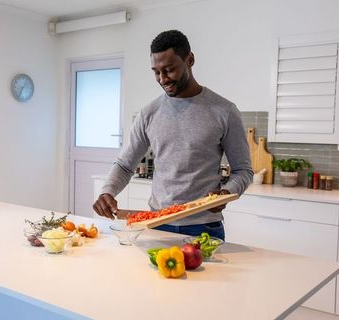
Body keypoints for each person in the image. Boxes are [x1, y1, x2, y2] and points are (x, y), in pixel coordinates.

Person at [93, 30, 252, 240]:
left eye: (169, 70)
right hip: (157, 224)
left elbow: (243, 170)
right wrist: (107, 191)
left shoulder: (224, 111)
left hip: (204, 228)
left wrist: (225, 193)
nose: (162, 79)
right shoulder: (149, 113)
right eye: (156, 72)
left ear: (190, 60)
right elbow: (125, 165)